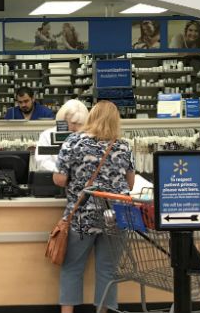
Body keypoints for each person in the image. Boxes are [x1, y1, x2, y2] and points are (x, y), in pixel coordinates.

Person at [53, 101, 135, 313]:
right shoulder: (124, 145)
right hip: (116, 216)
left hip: (82, 216)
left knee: (72, 268)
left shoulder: (73, 142)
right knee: (108, 270)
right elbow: (131, 184)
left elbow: (60, 179)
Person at [35, 99, 89, 172]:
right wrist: (61, 171)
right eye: (73, 123)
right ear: (63, 119)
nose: (76, 127)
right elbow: (42, 160)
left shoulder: (87, 136)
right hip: (53, 178)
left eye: (80, 124)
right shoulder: (47, 135)